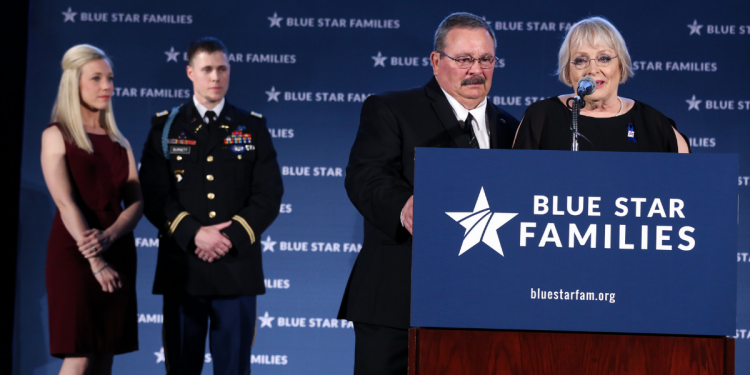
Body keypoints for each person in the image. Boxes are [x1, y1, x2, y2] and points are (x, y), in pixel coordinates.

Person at [339, 12, 519, 375]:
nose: (476, 70)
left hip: (479, 308)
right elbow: (366, 176)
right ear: (436, 61)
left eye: (485, 59)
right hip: (397, 301)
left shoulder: (511, 129)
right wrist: (404, 205)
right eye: (464, 59)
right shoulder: (392, 108)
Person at [139, 37, 283, 375]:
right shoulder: (165, 127)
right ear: (191, 72)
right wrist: (194, 234)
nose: (215, 77)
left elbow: (269, 194)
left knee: (233, 369)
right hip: (183, 269)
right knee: (181, 368)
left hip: (236, 269)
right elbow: (154, 195)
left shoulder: (252, 126)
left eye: (222, 69)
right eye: (207, 69)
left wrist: (228, 236)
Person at [41, 44, 142, 375]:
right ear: (74, 83)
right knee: (81, 353)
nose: (107, 87)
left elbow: (137, 202)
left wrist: (111, 237)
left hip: (118, 249)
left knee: (105, 354)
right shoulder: (57, 134)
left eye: (110, 79)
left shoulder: (120, 142)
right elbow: (64, 201)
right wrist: (95, 259)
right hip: (75, 253)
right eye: (96, 78)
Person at [513, 16, 690, 153]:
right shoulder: (541, 117)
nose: (593, 69)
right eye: (581, 60)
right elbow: (517, 182)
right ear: (568, 71)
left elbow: (688, 184)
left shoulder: (653, 123)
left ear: (621, 65)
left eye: (604, 58)